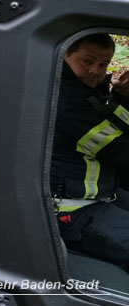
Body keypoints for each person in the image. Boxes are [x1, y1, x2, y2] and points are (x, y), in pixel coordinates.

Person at [51, 33, 129, 272]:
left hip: (98, 195)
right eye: (88, 61)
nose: (96, 70)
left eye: (103, 64)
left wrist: (120, 97)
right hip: (71, 211)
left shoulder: (86, 92)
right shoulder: (66, 99)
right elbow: (120, 152)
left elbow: (116, 126)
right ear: (66, 55)